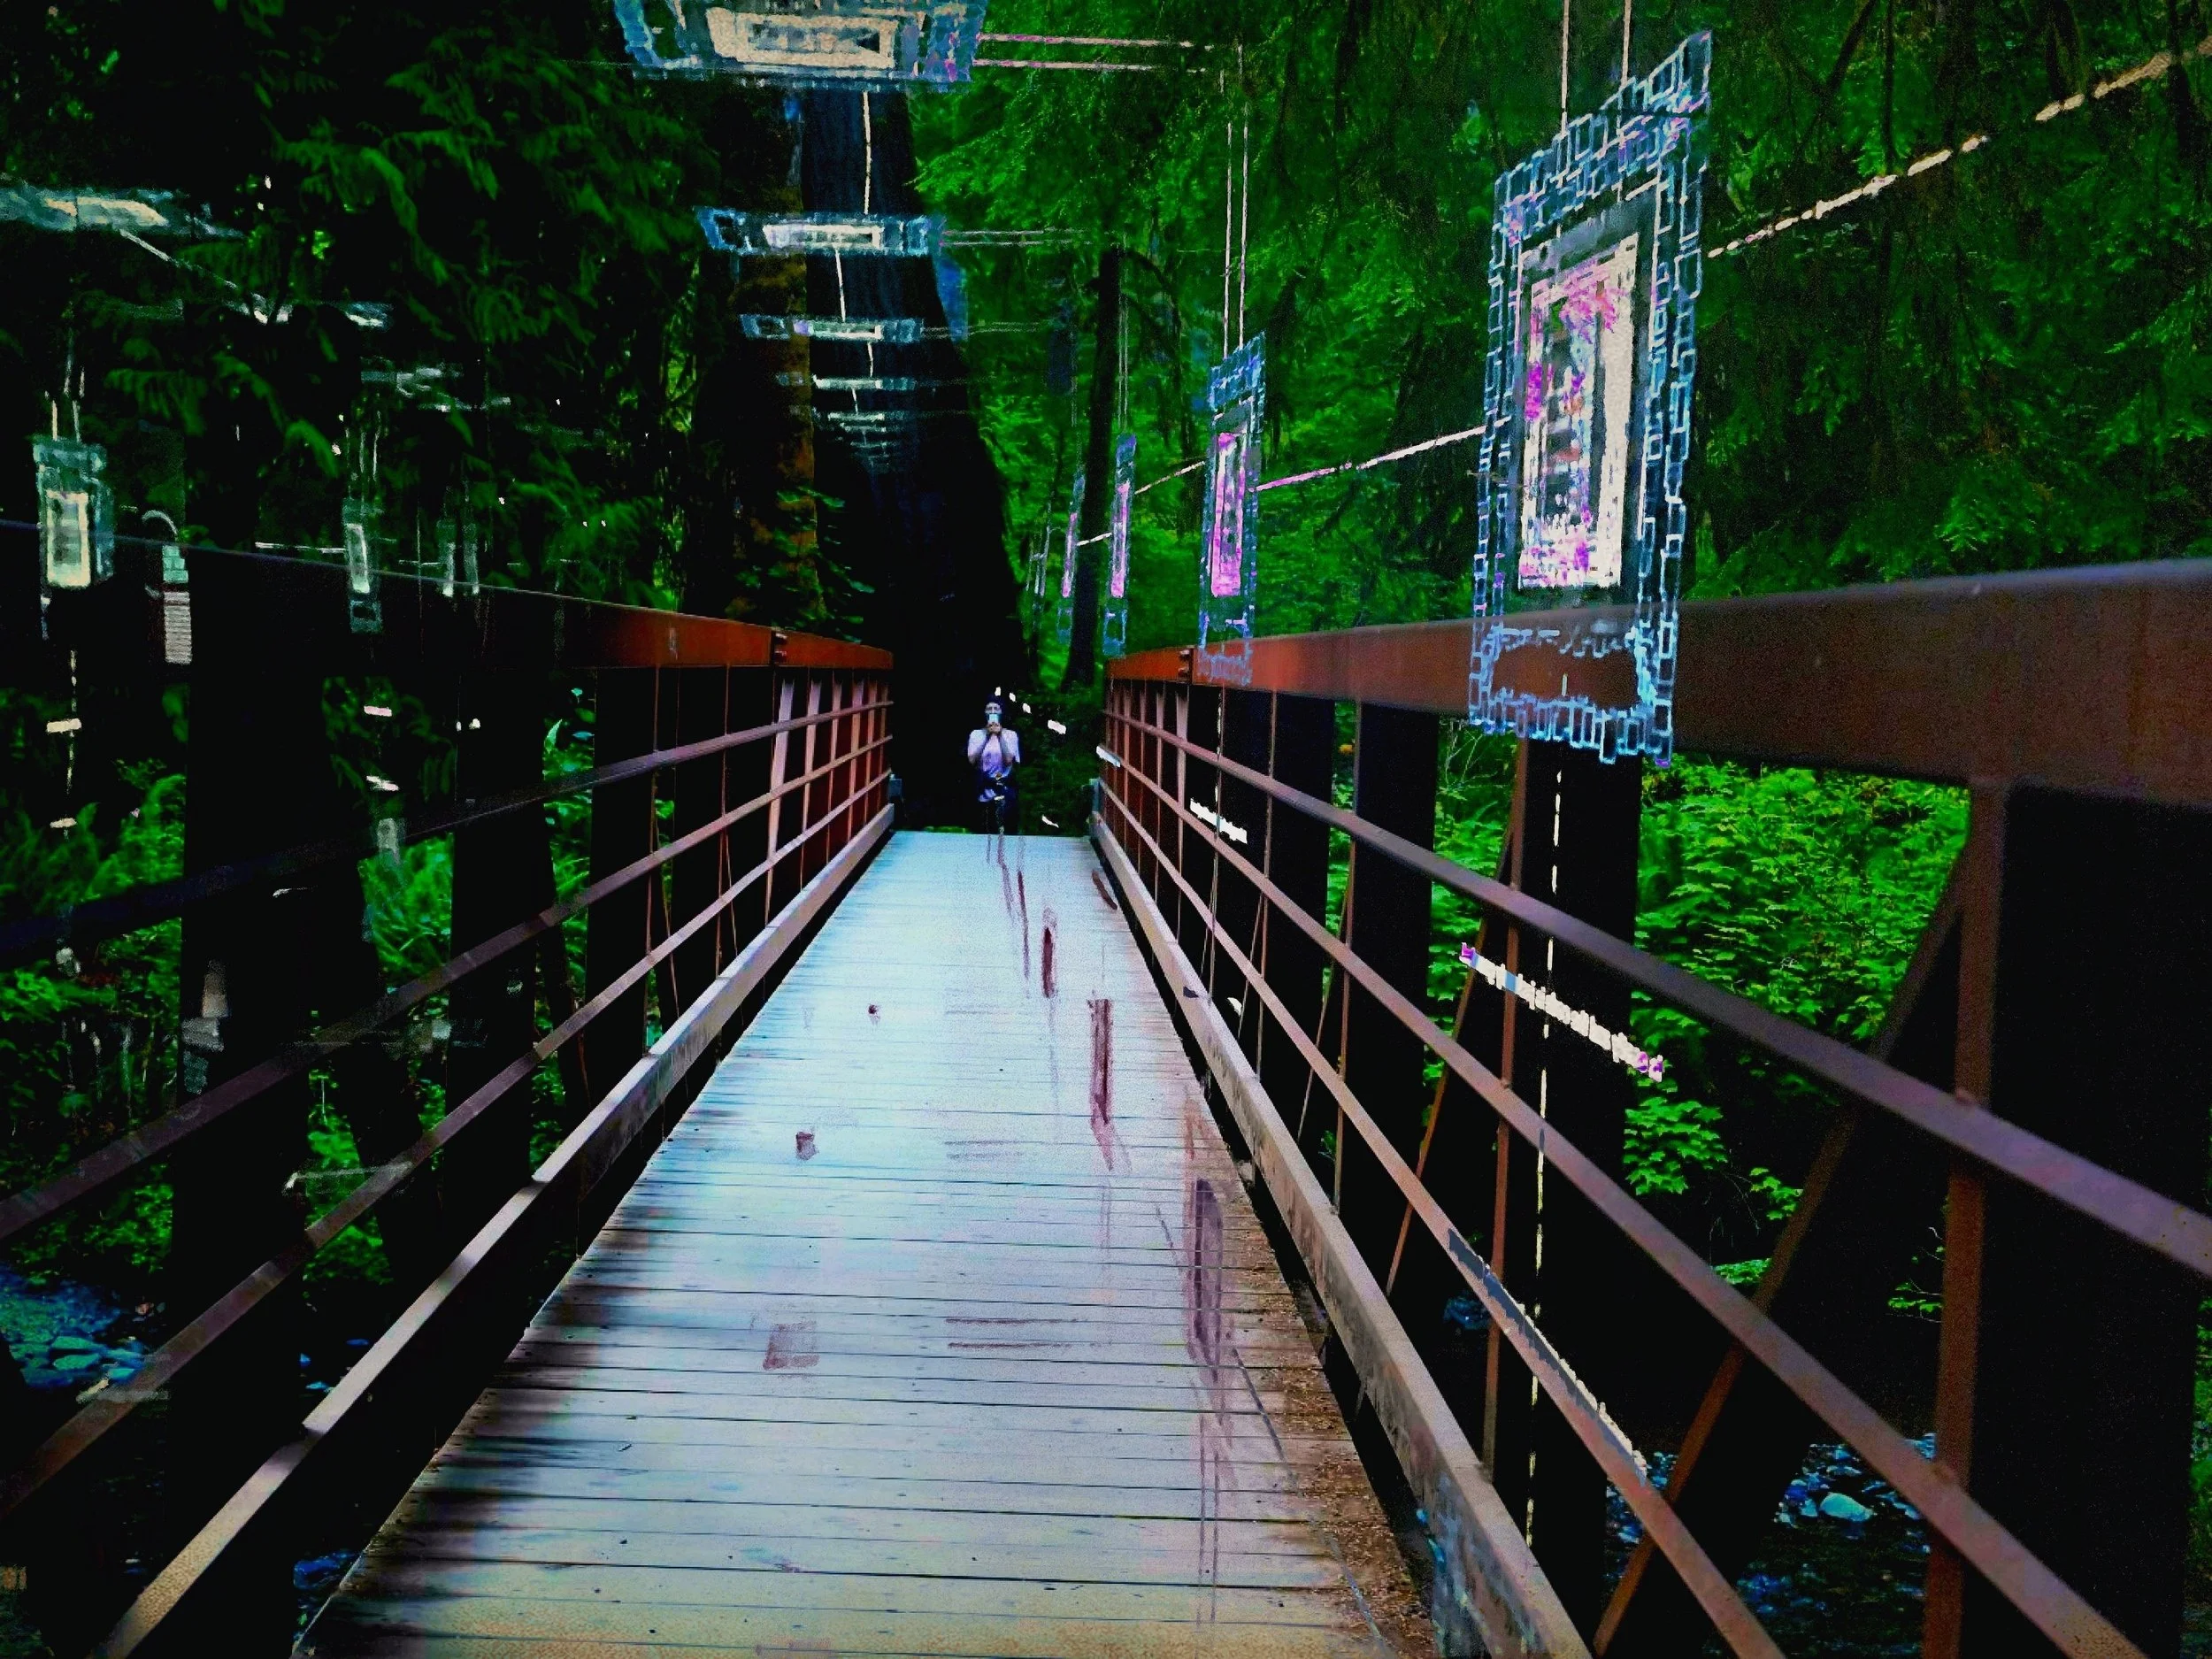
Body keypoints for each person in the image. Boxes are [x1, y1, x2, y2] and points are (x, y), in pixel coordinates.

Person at [966, 699, 1021, 833]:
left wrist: (999, 734)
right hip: (984, 786)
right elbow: (972, 760)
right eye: (989, 709)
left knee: (1005, 827)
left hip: (1003, 785)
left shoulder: (1010, 735)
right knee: (983, 828)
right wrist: (987, 735)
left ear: (1002, 712)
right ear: (984, 713)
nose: (992, 712)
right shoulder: (976, 734)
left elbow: (1008, 760)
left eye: (996, 709)